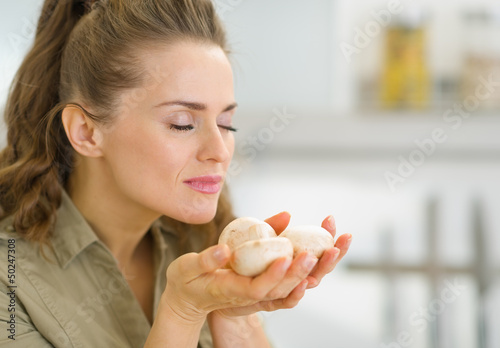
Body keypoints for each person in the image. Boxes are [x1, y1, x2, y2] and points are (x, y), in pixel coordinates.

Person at [0, 0, 352, 347]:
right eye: (182, 124)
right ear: (86, 132)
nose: (220, 151)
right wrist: (183, 311)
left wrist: (232, 312)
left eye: (226, 124)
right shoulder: (9, 276)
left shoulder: (203, 244)